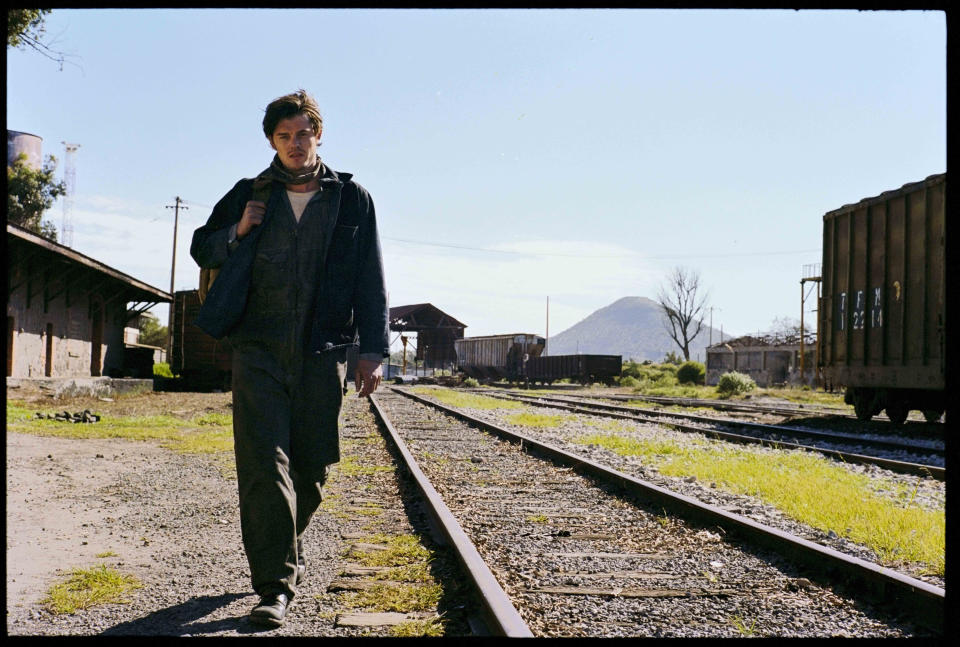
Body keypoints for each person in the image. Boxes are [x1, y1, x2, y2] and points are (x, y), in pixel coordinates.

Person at [190, 89, 389, 627]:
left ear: (318, 134)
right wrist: (237, 231)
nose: (295, 144)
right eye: (284, 136)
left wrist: (373, 351)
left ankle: (280, 543)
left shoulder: (352, 199)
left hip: (325, 352)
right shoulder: (247, 193)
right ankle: (275, 586)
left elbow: (370, 278)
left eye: (303, 134)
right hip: (257, 348)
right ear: (272, 142)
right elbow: (201, 246)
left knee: (314, 466)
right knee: (263, 464)